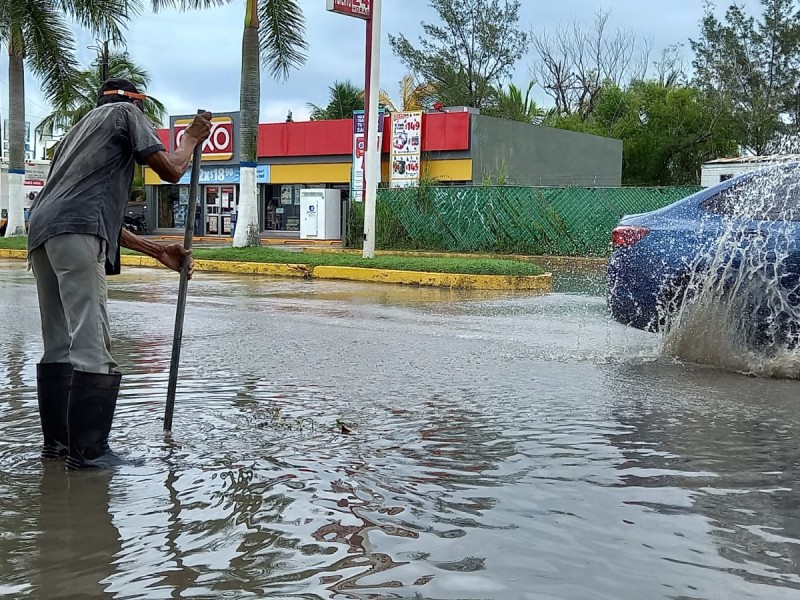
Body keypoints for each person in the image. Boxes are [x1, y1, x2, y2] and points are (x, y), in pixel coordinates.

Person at [26, 78, 212, 470]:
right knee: (91, 344)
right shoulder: (126, 113)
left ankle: (57, 447)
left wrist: (158, 250)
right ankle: (89, 453)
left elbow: (95, 214)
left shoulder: (77, 132)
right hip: (76, 234)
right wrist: (192, 139)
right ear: (137, 103)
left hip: (41, 234)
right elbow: (172, 169)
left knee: (58, 344)